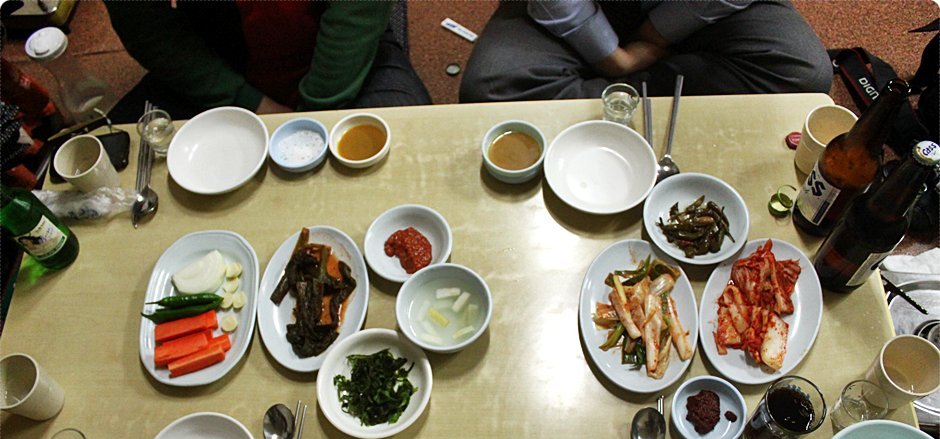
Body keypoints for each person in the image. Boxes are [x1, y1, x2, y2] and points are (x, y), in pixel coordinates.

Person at [103, 0, 431, 124]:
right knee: (112, 166)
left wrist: (313, 115)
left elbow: (357, 12)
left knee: (411, 148)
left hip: (339, 55)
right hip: (218, 56)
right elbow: (144, 24)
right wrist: (247, 101)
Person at [459, 0, 833, 102]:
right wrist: (610, 56)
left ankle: (600, 98)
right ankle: (660, 90)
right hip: (578, 8)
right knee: (489, 89)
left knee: (805, 75)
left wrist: (659, 33)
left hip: (701, 10)